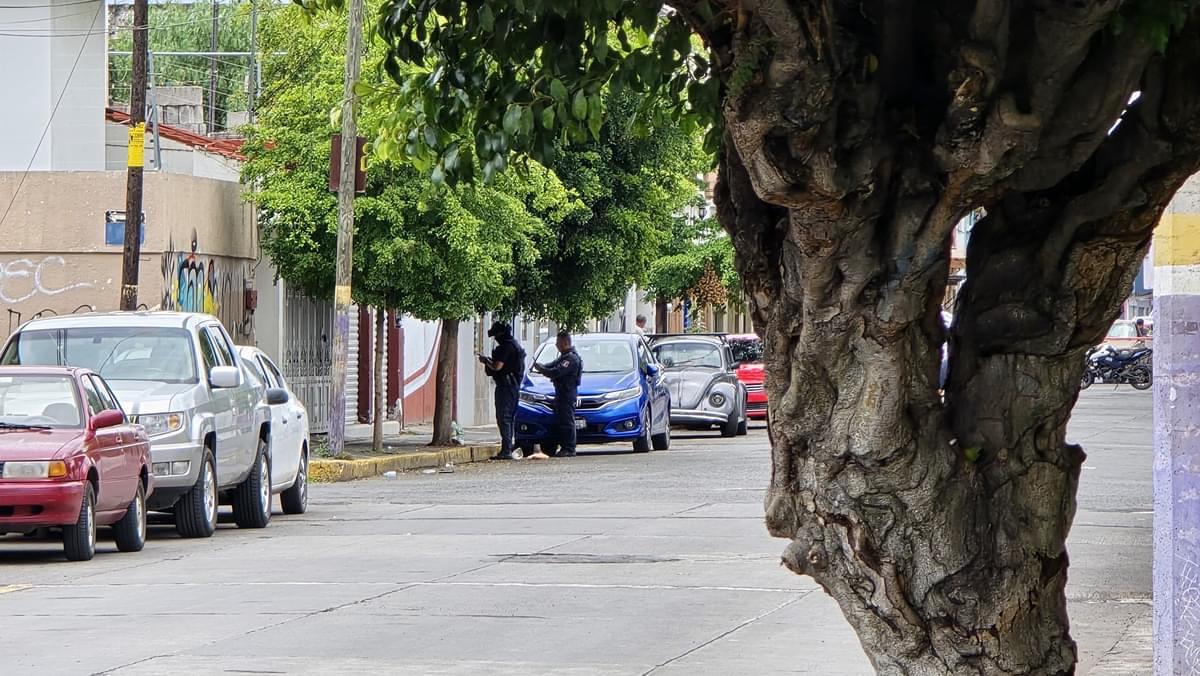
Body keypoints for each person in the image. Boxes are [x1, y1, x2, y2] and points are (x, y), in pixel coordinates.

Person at [532, 331, 583, 458]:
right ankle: (565, 446)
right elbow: (552, 365)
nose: (556, 345)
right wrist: (541, 367)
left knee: (567, 421)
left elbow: (556, 371)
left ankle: (569, 448)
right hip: (561, 393)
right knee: (562, 421)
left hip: (567, 393)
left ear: (565, 342)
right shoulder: (564, 357)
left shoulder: (571, 359)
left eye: (558, 343)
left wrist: (542, 370)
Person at [480, 321, 524, 460]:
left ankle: (506, 450)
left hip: (506, 386)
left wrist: (486, 361)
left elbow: (497, 366)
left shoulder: (506, 347)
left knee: (504, 417)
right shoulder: (514, 345)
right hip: (512, 386)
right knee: (508, 417)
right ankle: (507, 447)